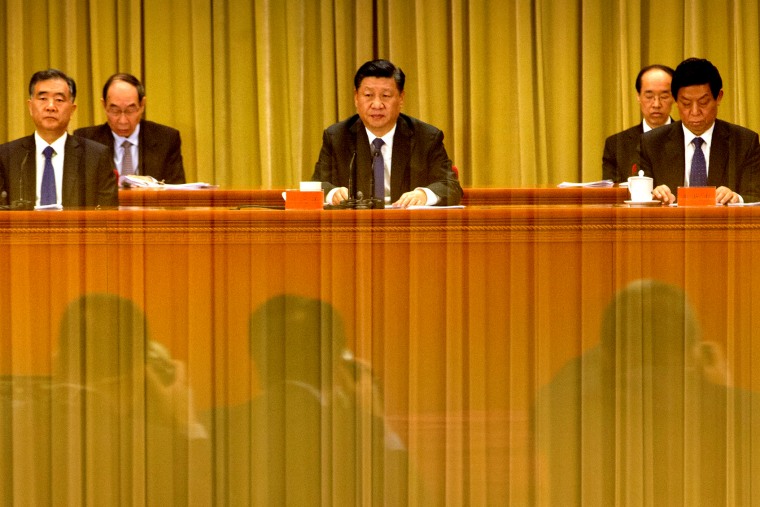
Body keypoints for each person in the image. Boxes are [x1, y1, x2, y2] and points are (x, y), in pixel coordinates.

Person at [534, 279, 757, 505]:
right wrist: (723, 391)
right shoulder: (747, 414)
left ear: (607, 356)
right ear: (692, 352)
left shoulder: (568, 415)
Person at [212, 294, 409, 505]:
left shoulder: (218, 425)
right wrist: (379, 424)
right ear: (334, 360)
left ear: (256, 355)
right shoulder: (355, 435)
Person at [311, 59, 462, 208]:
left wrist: (424, 194)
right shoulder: (337, 137)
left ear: (401, 98)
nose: (377, 105)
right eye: (368, 95)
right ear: (356, 97)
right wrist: (333, 193)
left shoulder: (426, 137)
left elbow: (451, 186)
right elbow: (317, 185)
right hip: (356, 227)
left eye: (386, 96)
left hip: (408, 226)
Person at [640, 58, 760, 204]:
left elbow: (755, 195)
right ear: (675, 101)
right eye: (686, 103)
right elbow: (638, 198)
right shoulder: (652, 143)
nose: (695, 112)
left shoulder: (744, 142)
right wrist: (654, 195)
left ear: (718, 97)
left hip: (724, 225)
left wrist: (737, 198)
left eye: (703, 102)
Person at [0, 69, 118, 208]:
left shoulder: (96, 157)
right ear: (30, 107)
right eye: (43, 99)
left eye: (59, 100)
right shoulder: (6, 156)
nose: (51, 107)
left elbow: (108, 214)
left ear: (72, 110)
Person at [74, 73, 186, 184]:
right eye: (115, 110)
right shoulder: (86, 140)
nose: (123, 121)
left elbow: (176, 191)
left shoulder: (166, 139)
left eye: (130, 110)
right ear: (104, 105)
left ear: (142, 105)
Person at [602, 64, 674, 183]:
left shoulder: (688, 138)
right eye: (649, 96)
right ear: (638, 96)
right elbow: (612, 194)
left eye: (664, 96)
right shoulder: (616, 145)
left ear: (674, 97)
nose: (656, 104)